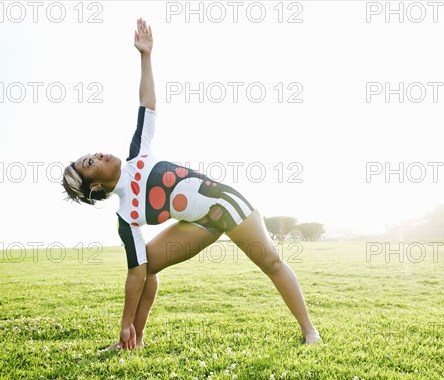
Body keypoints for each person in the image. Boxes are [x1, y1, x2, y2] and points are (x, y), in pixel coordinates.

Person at [61, 18, 321, 349]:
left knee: (271, 262)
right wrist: (125, 324)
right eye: (89, 163)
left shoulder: (137, 153)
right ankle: (134, 339)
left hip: (226, 203)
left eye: (92, 154)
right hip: (200, 224)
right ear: (94, 187)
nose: (97, 155)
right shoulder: (125, 217)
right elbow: (135, 274)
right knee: (147, 264)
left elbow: (147, 103)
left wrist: (145, 56)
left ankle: (309, 330)